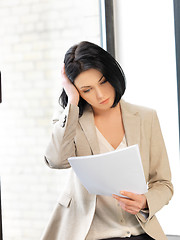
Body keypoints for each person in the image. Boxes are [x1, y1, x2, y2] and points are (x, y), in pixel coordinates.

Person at [41, 41, 173, 240]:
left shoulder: (146, 117)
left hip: (139, 231)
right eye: (87, 90)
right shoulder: (69, 119)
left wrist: (145, 201)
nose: (100, 95)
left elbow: (163, 183)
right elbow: (56, 161)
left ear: (112, 74)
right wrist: (72, 101)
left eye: (103, 82)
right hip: (88, 233)